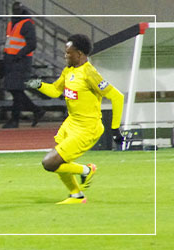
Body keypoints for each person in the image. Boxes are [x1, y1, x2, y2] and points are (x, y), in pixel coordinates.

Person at [25, 34, 124, 204]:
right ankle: (76, 195)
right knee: (60, 161)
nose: (65, 56)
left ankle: (86, 170)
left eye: (68, 53)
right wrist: (39, 85)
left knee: (49, 163)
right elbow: (55, 91)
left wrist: (115, 128)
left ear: (79, 54)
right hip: (71, 124)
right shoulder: (68, 71)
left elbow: (117, 97)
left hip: (87, 128)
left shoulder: (89, 73)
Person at [2, 1, 45, 129]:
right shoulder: (12, 23)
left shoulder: (26, 24)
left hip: (21, 61)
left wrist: (18, 55)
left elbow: (32, 44)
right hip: (12, 60)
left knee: (16, 90)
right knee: (15, 90)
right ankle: (36, 110)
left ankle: (16, 119)